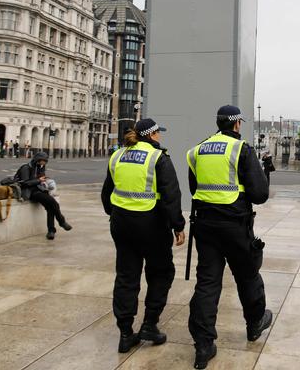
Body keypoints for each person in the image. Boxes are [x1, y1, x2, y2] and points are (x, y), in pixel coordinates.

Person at [186, 105, 271, 369]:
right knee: (247, 276)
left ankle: (203, 345)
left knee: (207, 283)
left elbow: (194, 188)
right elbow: (260, 195)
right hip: (235, 225)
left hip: (205, 226)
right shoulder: (241, 149)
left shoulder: (197, 150)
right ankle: (255, 322)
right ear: (236, 124)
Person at [101, 118, 185, 354]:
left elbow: (107, 192)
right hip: (151, 224)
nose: (160, 136)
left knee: (126, 276)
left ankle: (126, 333)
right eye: (159, 132)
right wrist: (178, 225)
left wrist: (115, 213)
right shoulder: (158, 157)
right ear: (152, 134)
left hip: (121, 223)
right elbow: (171, 196)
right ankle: (149, 324)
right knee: (161, 272)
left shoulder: (117, 156)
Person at [16, 152, 72, 239]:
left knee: (51, 207)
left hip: (39, 189)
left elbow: (40, 179)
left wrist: (44, 178)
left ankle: (51, 231)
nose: (44, 163)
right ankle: (61, 221)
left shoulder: (39, 167)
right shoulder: (26, 168)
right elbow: (25, 183)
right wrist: (39, 180)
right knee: (53, 203)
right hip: (30, 192)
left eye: (45, 162)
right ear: (37, 160)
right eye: (43, 161)